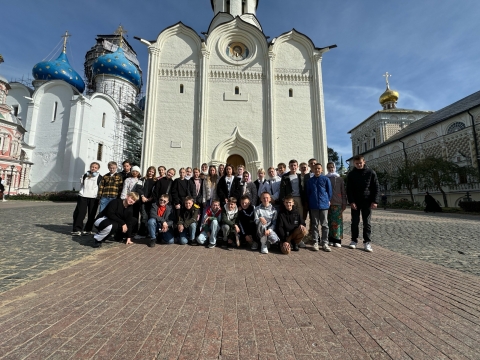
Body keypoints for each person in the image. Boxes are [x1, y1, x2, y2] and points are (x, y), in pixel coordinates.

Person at [346, 155, 379, 252]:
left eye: (360, 163)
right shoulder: (351, 174)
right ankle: (354, 241)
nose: (359, 165)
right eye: (357, 163)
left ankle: (367, 242)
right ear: (354, 164)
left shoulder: (371, 173)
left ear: (364, 162)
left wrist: (375, 201)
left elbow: (376, 187)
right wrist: (351, 201)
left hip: (367, 201)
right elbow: (349, 189)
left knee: (367, 223)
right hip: (355, 202)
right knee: (354, 222)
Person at [72, 162, 102, 236]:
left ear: (98, 169)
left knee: (91, 214)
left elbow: (100, 188)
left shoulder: (100, 177)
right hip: (83, 196)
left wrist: (99, 197)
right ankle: (77, 229)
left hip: (94, 198)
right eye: (92, 167)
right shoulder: (85, 175)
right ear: (90, 167)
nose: (93, 168)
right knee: (80, 213)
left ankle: (88, 229)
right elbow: (81, 184)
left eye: (95, 167)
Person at [307, 163, 333, 252]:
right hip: (313, 205)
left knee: (325, 224)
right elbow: (308, 192)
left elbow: (329, 192)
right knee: (314, 224)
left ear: (321, 170)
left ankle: (325, 242)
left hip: (324, 205)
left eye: (319, 168)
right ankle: (315, 242)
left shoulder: (325, 179)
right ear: (313, 170)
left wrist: (326, 200)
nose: (317, 170)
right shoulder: (310, 181)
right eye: (315, 169)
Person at [326, 162, 347, 248]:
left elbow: (343, 191)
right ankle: (330, 239)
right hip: (327, 203)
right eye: (329, 167)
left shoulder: (339, 179)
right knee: (329, 222)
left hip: (337, 203)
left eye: (332, 167)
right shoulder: (325, 178)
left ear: (334, 168)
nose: (331, 169)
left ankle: (337, 239)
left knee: (337, 222)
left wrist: (344, 202)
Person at [136, 166, 156, 239]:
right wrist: (142, 196)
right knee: (144, 217)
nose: (151, 173)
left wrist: (151, 198)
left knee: (151, 217)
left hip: (151, 201)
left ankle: (149, 233)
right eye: (150, 171)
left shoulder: (155, 181)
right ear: (147, 171)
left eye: (152, 172)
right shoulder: (142, 179)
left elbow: (155, 191)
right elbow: (138, 188)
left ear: (154, 173)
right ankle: (141, 233)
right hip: (143, 200)